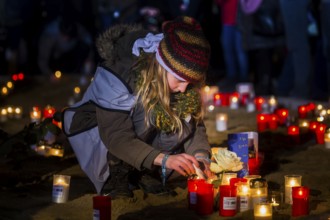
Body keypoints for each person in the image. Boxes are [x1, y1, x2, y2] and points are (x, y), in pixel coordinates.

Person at [62, 16, 212, 199]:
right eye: (180, 80)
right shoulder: (122, 71)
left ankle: (145, 170)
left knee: (180, 107)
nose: (183, 87)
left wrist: (202, 157)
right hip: (101, 134)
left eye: (190, 83)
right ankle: (119, 169)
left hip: (141, 137)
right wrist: (165, 159)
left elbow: (195, 127)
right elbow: (116, 134)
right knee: (144, 105)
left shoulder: (182, 82)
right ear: (163, 67)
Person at [215, 0, 249, 92]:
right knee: (228, 50)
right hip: (227, 20)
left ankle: (244, 79)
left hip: (242, 20)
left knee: (241, 51)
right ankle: (232, 77)